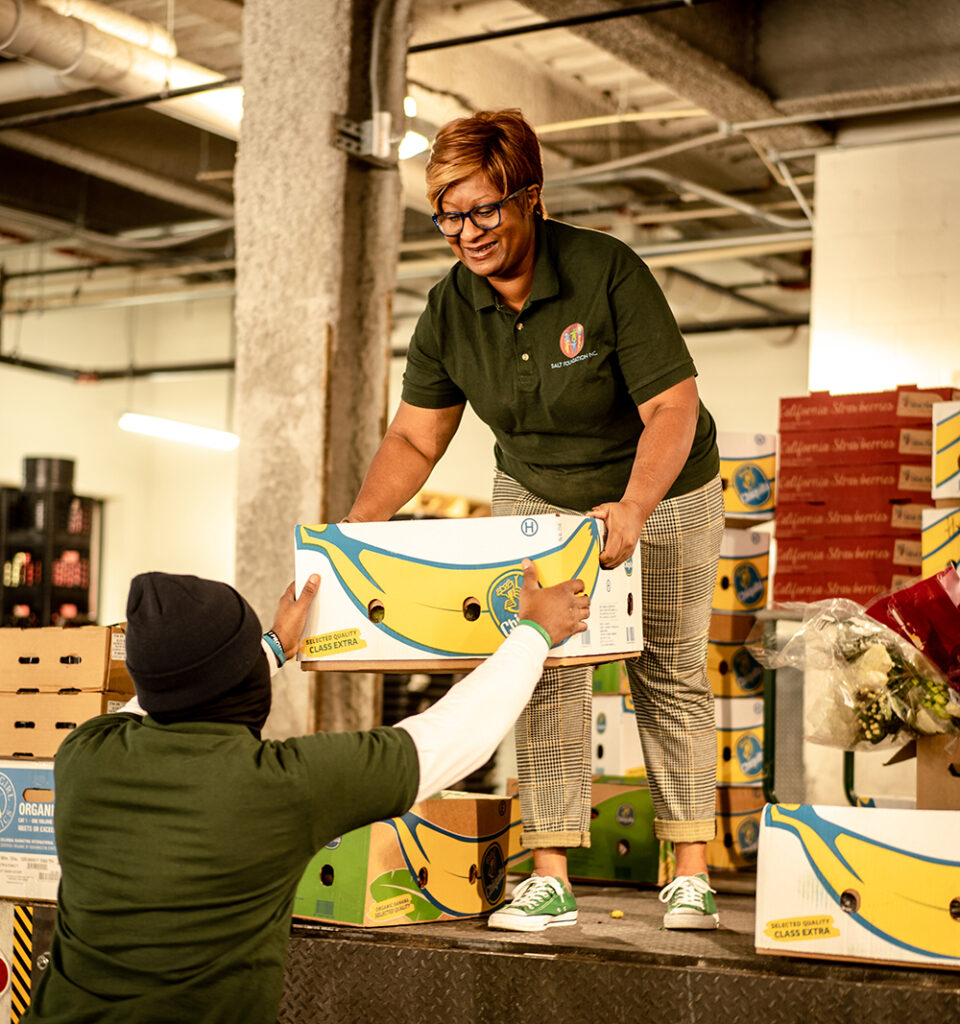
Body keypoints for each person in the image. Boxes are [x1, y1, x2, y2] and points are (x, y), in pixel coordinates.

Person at [346, 109, 725, 932]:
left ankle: (690, 869)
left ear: (531, 198)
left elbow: (672, 406)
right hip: (536, 493)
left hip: (662, 485)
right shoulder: (449, 309)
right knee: (545, 668)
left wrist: (633, 507)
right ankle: (549, 874)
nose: (466, 232)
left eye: (484, 209)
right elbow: (417, 435)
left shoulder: (605, 271)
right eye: (448, 214)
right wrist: (354, 533)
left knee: (667, 667)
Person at [22, 561, 589, 1024]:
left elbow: (159, 696)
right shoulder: (278, 786)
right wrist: (534, 633)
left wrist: (270, 645)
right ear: (238, 677)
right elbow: (453, 740)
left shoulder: (84, 756)